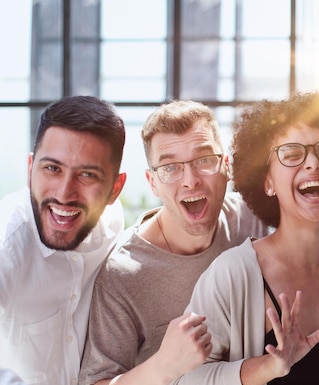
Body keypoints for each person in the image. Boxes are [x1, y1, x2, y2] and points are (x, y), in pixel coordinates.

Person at [170, 89, 319, 385]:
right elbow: (180, 379)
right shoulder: (232, 274)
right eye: (291, 154)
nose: (313, 163)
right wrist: (268, 368)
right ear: (267, 182)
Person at [78, 100, 269, 385]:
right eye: (170, 167)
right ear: (152, 182)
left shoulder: (253, 220)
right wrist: (163, 365)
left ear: (226, 166)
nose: (190, 180)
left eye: (204, 160)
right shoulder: (122, 273)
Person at [0, 95, 127, 385]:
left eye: (87, 175)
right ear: (30, 169)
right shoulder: (7, 241)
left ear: (114, 189)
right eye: (52, 169)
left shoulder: (112, 225)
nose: (64, 193)